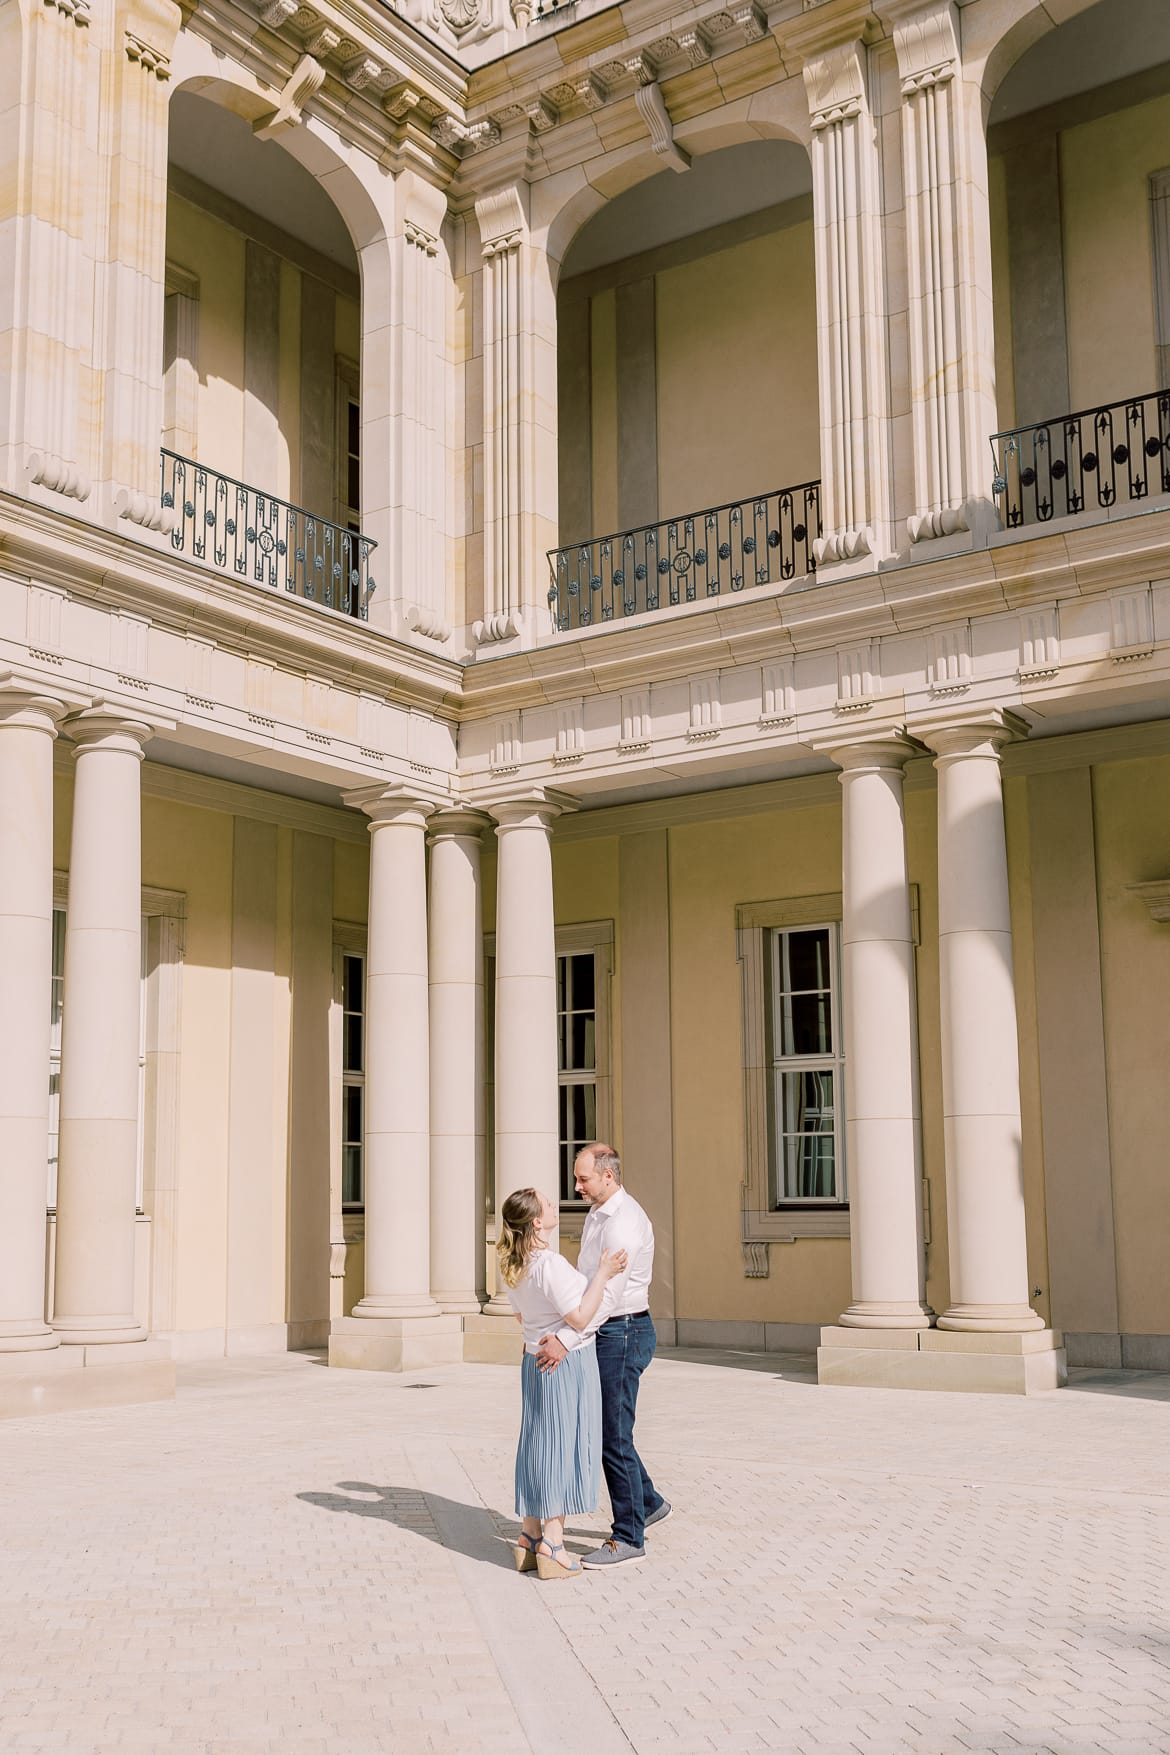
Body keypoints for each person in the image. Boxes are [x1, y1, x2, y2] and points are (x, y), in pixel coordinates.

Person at [536, 1143, 670, 1570]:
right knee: (610, 1430)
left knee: (612, 1436)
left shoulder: (624, 1224)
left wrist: (566, 1339)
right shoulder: (600, 1212)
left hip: (623, 1330)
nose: (577, 1186)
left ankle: (629, 1536)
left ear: (608, 1176)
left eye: (584, 1179)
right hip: (612, 1329)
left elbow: (608, 1297)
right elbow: (587, 1281)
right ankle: (646, 1502)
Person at [497, 1185, 627, 1581]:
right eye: (549, 1204)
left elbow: (522, 1319)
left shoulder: (512, 1264)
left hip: (533, 1359)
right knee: (562, 1446)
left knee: (538, 1443)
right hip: (564, 1362)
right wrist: (603, 1274)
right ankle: (554, 1542)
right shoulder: (548, 1264)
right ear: (537, 1221)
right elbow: (580, 1317)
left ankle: (530, 1535)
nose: (555, 1205)